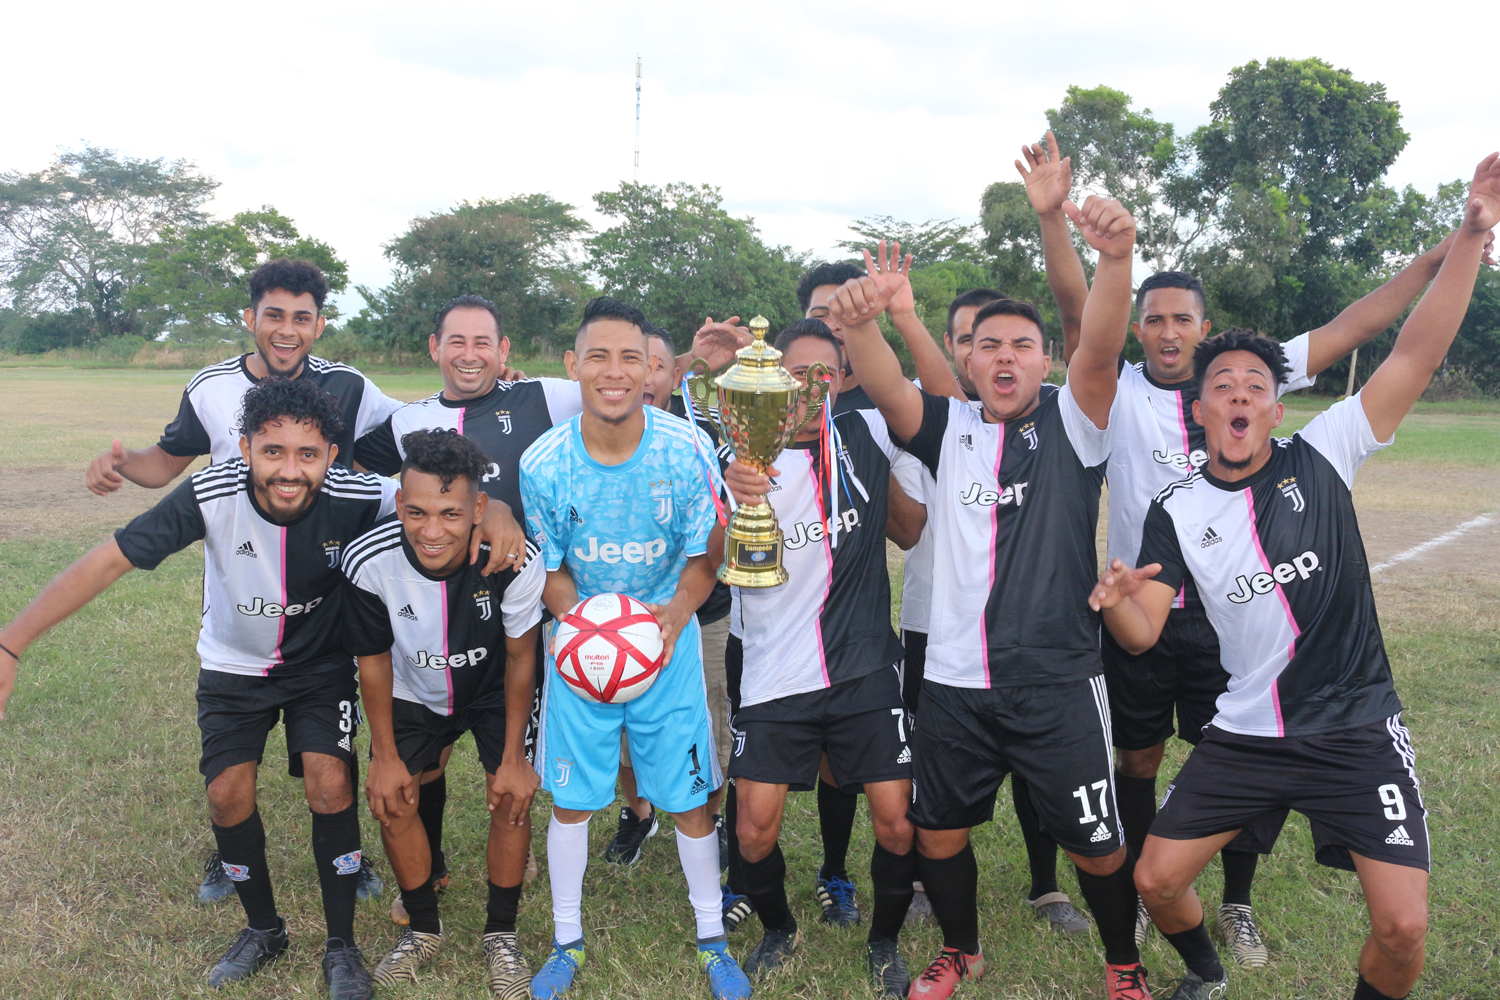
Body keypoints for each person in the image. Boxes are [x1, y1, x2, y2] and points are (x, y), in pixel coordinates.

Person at [1019, 127, 1494, 963]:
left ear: (1274, 397)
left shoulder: (1285, 413)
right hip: (1160, 598)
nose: (1171, 334)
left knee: (1252, 774)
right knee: (1144, 766)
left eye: (1186, 323)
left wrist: (1462, 241)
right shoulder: (1124, 401)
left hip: (1267, 653)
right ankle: (1163, 912)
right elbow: (1076, 314)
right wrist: (1060, 222)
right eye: (1153, 320)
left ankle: (1235, 902)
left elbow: (1391, 339)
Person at [833, 197, 1156, 1000]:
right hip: (953, 683)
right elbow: (881, 379)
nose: (1004, 358)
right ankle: (962, 950)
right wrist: (862, 321)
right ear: (966, 361)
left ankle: (1124, 965)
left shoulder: (1079, 420)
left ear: (1046, 359)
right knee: (936, 833)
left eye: (1021, 344)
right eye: (988, 346)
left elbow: (1105, 340)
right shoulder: (948, 428)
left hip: (1056, 681)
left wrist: (1115, 261)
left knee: (1097, 847)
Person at [0, 379, 398, 1000]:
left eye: (308, 455)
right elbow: (109, 559)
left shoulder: (359, 494)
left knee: (330, 780)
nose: (290, 470)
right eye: (273, 452)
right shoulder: (211, 491)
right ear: (243, 448)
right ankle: (264, 929)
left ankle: (341, 944)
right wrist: (10, 643)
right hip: (234, 668)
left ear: (331, 455)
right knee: (225, 794)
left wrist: (500, 512)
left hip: (321, 667)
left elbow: (440, 499)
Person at [82, 257, 399, 904]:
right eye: (274, 316)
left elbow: (413, 435)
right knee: (231, 775)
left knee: (328, 766)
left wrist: (491, 387)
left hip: (321, 596)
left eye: (301, 318)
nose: (287, 331)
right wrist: (122, 463)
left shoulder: (350, 387)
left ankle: (346, 852)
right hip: (241, 591)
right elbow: (168, 462)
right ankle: (231, 860)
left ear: (319, 324)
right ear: (251, 318)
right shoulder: (211, 387)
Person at [518, 296, 751, 1000]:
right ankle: (567, 941)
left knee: (687, 797)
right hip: (581, 650)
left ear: (653, 369)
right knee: (572, 798)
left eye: (631, 358)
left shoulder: (686, 448)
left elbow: (707, 550)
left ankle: (713, 939)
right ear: (573, 366)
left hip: (669, 638)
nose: (614, 372)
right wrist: (587, 626)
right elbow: (551, 569)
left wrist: (674, 614)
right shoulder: (545, 462)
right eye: (598, 356)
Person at [353, 293, 573, 918]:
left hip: (520, 594)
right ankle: (436, 865)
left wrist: (692, 358)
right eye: (457, 342)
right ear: (435, 349)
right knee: (432, 744)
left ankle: (514, 839)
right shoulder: (407, 423)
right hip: (432, 599)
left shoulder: (544, 398)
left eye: (484, 343)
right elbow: (347, 466)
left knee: (506, 730)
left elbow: (623, 384)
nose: (469, 355)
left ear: (505, 353)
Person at [716, 319, 919, 996]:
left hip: (863, 666)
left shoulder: (867, 433)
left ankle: (884, 941)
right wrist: (730, 502)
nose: (805, 390)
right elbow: (714, 562)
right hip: (776, 670)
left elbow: (931, 407)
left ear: (844, 379)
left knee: (896, 821)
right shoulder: (741, 459)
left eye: (821, 375)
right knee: (751, 833)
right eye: (790, 376)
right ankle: (779, 927)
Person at [343, 429, 545, 997]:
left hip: (489, 690)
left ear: (479, 509)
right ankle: (423, 929)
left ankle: (501, 935)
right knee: (393, 799)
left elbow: (521, 657)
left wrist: (513, 757)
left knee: (511, 795)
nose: (432, 531)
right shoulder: (369, 561)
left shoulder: (513, 560)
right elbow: (374, 663)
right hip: (412, 691)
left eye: (451, 514)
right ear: (400, 502)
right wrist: (383, 756)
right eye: (417, 512)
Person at [771, 257, 933, 930]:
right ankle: (742, 881)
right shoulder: (755, 421)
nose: (833, 327)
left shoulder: (876, 420)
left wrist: (871, 461)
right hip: (770, 642)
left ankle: (836, 871)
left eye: (846, 317)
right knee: (758, 788)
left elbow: (909, 528)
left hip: (857, 642)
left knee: (849, 769)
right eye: (822, 315)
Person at [604, 322, 740, 870]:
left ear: (674, 376)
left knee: (710, 719)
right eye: (635, 365)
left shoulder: (702, 434)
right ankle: (639, 813)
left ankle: (712, 815)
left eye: (655, 367)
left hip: (701, 613)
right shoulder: (591, 423)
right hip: (616, 616)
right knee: (619, 718)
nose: (641, 379)